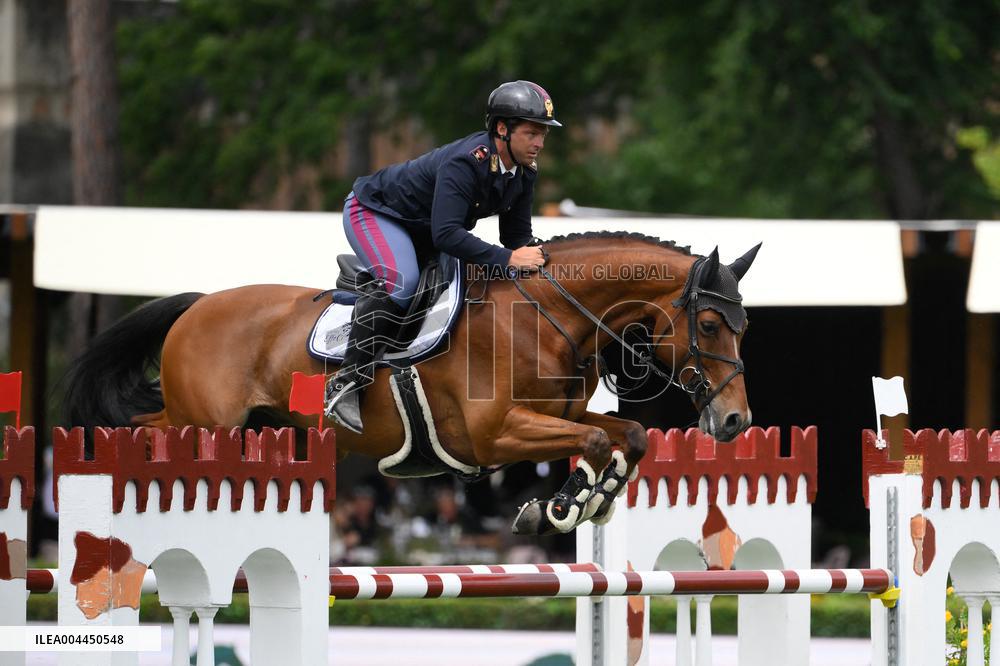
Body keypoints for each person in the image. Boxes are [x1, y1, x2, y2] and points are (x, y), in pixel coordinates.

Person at [326, 80, 561, 433]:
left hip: (422, 229)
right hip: (375, 213)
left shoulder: (523, 171)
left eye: (543, 134)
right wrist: (509, 259)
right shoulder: (466, 162)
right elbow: (448, 235)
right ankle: (345, 383)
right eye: (531, 133)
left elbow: (515, 239)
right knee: (402, 285)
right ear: (502, 128)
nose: (540, 143)